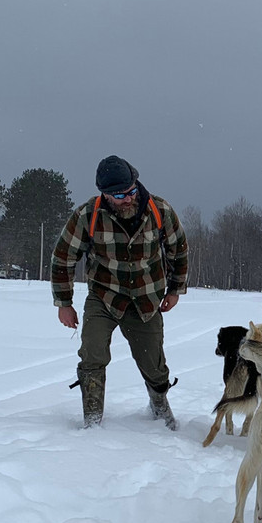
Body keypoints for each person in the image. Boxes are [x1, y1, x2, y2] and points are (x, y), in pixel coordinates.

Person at [51, 155, 188, 429]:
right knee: (92, 351)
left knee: (154, 363)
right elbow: (62, 257)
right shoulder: (87, 216)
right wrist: (64, 302)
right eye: (118, 195)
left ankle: (159, 405)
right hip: (104, 297)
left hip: (146, 300)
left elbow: (179, 249)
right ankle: (92, 417)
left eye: (130, 192)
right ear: (104, 194)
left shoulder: (159, 210)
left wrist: (175, 289)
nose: (126, 199)